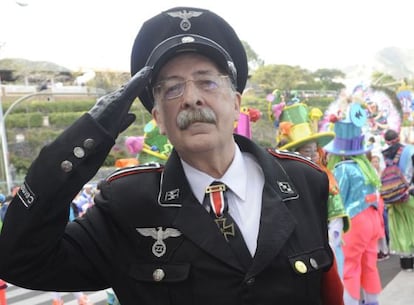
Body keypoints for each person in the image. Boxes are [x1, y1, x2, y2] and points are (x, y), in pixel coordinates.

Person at [0, 6, 343, 305]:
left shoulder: (303, 182)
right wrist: (85, 138)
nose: (191, 98)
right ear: (159, 119)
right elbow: (20, 260)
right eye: (173, 88)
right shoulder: (126, 205)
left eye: (207, 82)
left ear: (236, 102)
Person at [275, 101, 350, 279]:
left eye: (313, 150)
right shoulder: (280, 179)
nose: (311, 155)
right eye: (305, 150)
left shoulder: (324, 178)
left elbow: (335, 216)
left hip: (322, 248)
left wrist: (330, 242)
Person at [325, 102, 383, 305]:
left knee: (349, 267)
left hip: (353, 222)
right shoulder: (367, 169)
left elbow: (337, 201)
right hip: (372, 219)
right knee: (369, 265)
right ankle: (373, 301)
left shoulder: (341, 169)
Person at [381, 129, 414, 270]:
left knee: (400, 229)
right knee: (412, 227)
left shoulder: (384, 155)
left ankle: (405, 263)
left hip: (392, 197)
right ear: (399, 137)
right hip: (409, 194)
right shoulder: (410, 151)